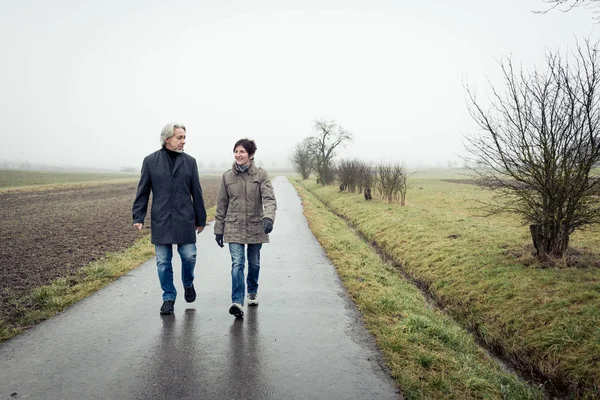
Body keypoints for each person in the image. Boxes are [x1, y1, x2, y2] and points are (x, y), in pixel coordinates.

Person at [132, 122, 207, 315]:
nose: (183, 141)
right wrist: (138, 216)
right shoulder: (150, 161)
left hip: (185, 219)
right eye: (179, 137)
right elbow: (143, 191)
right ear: (167, 139)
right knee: (163, 262)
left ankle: (188, 284)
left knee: (189, 256)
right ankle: (168, 297)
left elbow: (196, 192)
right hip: (162, 219)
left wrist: (200, 219)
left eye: (184, 138)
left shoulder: (190, 162)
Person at [214, 138, 277, 318]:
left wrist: (268, 218)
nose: (238, 155)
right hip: (233, 227)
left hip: (256, 226)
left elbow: (270, 200)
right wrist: (219, 229)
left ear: (250, 155)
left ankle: (252, 291)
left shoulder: (261, 175)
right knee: (237, 263)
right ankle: (237, 301)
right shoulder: (227, 177)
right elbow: (221, 204)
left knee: (254, 263)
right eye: (236, 151)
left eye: (242, 152)